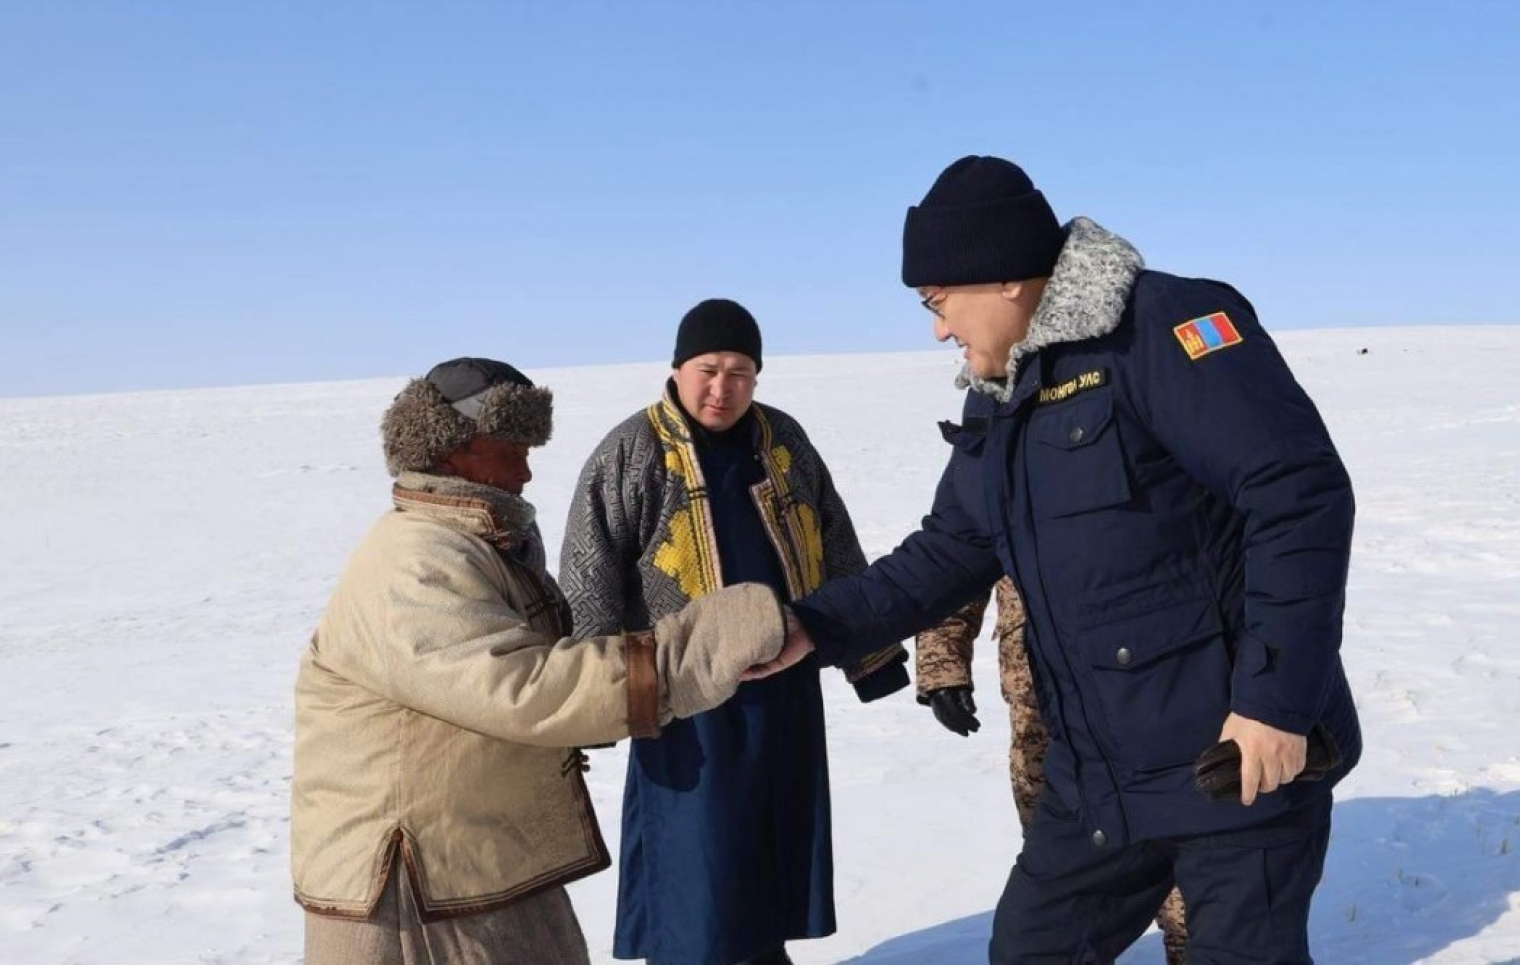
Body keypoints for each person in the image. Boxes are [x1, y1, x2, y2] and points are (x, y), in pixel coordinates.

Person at [759, 156, 1363, 964]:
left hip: (1230, 761)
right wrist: (810, 625)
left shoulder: (1164, 327)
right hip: (1096, 779)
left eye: (937, 301)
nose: (938, 328)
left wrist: (1276, 706)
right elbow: (949, 549)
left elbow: (1298, 493)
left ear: (1004, 277)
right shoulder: (1001, 393)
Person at [291, 357, 802, 965]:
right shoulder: (414, 560)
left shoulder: (477, 543)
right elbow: (523, 688)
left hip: (473, 860)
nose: (527, 470)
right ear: (452, 450)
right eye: (511, 449)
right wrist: (692, 652)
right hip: (412, 890)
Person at [560, 299, 910, 965]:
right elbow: (589, 571)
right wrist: (596, 696)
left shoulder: (783, 441)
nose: (722, 388)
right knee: (698, 855)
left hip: (784, 683)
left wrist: (872, 656)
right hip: (685, 694)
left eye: (740, 372)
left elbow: (835, 542)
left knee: (771, 844)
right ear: (678, 368)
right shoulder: (632, 450)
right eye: (709, 369)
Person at [917, 577, 1189, 965]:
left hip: (1160, 692)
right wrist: (942, 665)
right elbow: (956, 565)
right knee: (1059, 889)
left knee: (1190, 884)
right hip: (1041, 713)